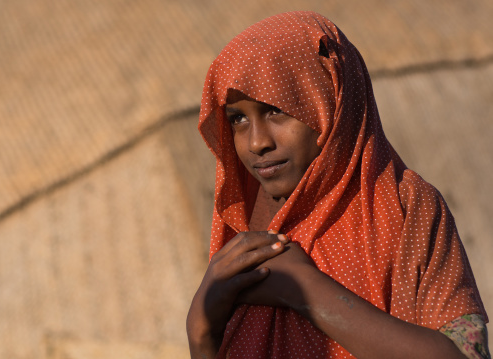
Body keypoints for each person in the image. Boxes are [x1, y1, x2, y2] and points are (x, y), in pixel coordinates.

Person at [187, 11, 490, 359]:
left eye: (276, 110)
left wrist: (306, 291)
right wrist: (201, 329)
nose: (257, 143)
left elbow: (464, 354)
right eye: (238, 119)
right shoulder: (246, 234)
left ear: (330, 103)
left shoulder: (404, 206)